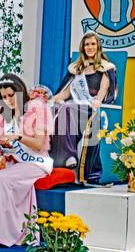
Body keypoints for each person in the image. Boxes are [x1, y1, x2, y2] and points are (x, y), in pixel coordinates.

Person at [0, 74, 53, 250]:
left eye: (11, 95)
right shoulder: (5, 114)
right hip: (15, 161)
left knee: (1, 179)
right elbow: (7, 146)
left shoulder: (36, 109)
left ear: (20, 91)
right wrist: (2, 158)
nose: (8, 100)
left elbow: (37, 144)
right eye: (4, 97)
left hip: (36, 162)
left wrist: (18, 136)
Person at [49, 32, 117, 185]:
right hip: (72, 107)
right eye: (87, 44)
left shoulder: (106, 68)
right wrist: (48, 100)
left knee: (67, 107)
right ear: (83, 47)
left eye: (93, 44)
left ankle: (68, 155)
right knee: (54, 109)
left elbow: (103, 90)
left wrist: (98, 101)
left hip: (89, 108)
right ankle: (56, 160)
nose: (90, 47)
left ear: (98, 46)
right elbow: (66, 93)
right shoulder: (76, 69)